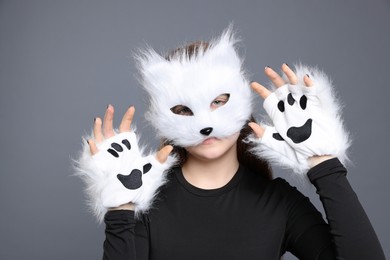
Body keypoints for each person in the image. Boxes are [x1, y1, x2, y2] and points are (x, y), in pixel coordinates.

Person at [76, 28, 385, 259]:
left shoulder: (279, 203)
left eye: (218, 102)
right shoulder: (148, 205)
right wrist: (120, 210)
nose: (205, 123)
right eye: (184, 110)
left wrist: (323, 162)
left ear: (239, 101)